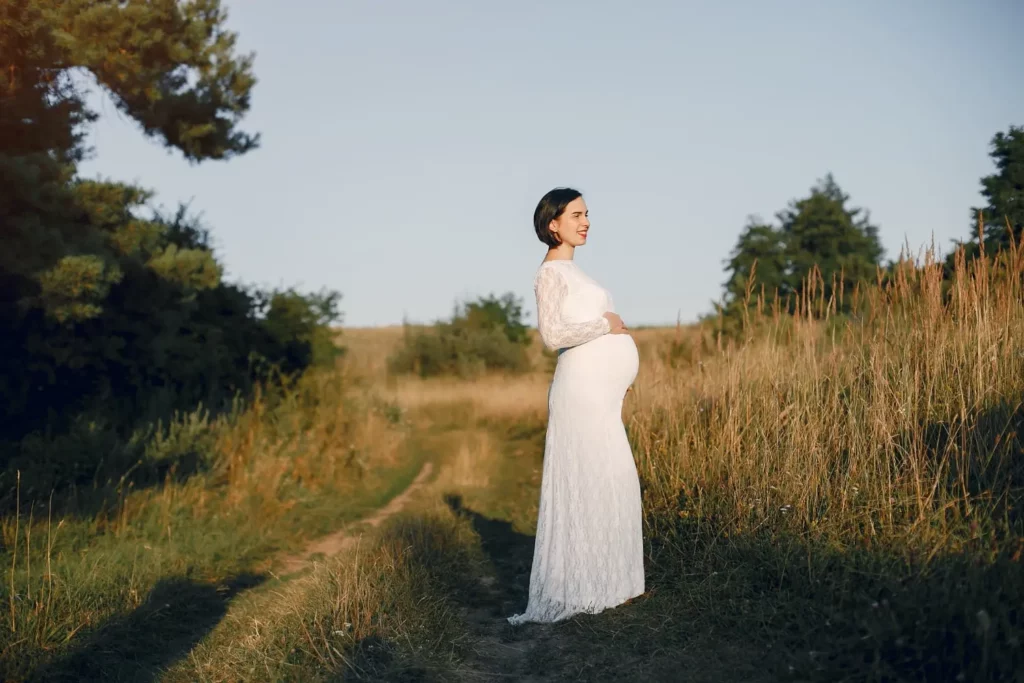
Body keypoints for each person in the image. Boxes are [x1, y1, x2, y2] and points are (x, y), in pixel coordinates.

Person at [508, 187, 645, 625]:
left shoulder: (576, 272)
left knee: (613, 479)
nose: (585, 222)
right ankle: (584, 587)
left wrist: (617, 374)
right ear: (553, 224)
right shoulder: (551, 274)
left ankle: (612, 585)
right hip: (580, 392)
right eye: (576, 215)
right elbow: (554, 334)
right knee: (595, 477)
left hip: (599, 394)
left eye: (587, 215)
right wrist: (606, 323)